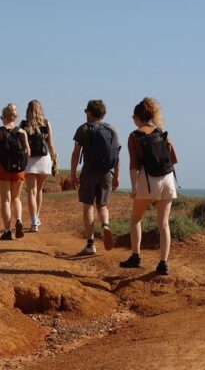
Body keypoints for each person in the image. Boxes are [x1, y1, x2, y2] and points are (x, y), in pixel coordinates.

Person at [120, 98, 179, 274]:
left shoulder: (135, 136)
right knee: (163, 224)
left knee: (136, 219)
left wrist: (134, 187)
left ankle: (136, 257)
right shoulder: (162, 133)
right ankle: (163, 264)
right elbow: (174, 159)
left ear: (137, 117)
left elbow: (133, 165)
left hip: (147, 180)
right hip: (168, 180)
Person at [69, 99, 121, 255]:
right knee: (102, 205)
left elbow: (75, 153)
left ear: (90, 112)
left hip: (89, 172)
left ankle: (90, 244)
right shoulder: (112, 129)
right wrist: (116, 175)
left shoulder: (84, 129)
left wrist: (72, 174)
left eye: (86, 111)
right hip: (107, 173)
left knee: (88, 206)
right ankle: (105, 225)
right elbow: (117, 155)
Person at [0, 103, 30, 240]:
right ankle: (19, 220)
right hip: (19, 169)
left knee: (5, 200)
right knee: (16, 197)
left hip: (3, 168)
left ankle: (7, 231)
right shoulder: (22, 132)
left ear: (5, 117)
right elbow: (28, 152)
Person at [21, 100, 57, 232]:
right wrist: (54, 158)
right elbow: (51, 145)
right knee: (39, 190)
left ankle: (34, 221)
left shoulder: (24, 124)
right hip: (44, 158)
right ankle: (37, 217)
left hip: (29, 160)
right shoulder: (46, 123)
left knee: (31, 191)